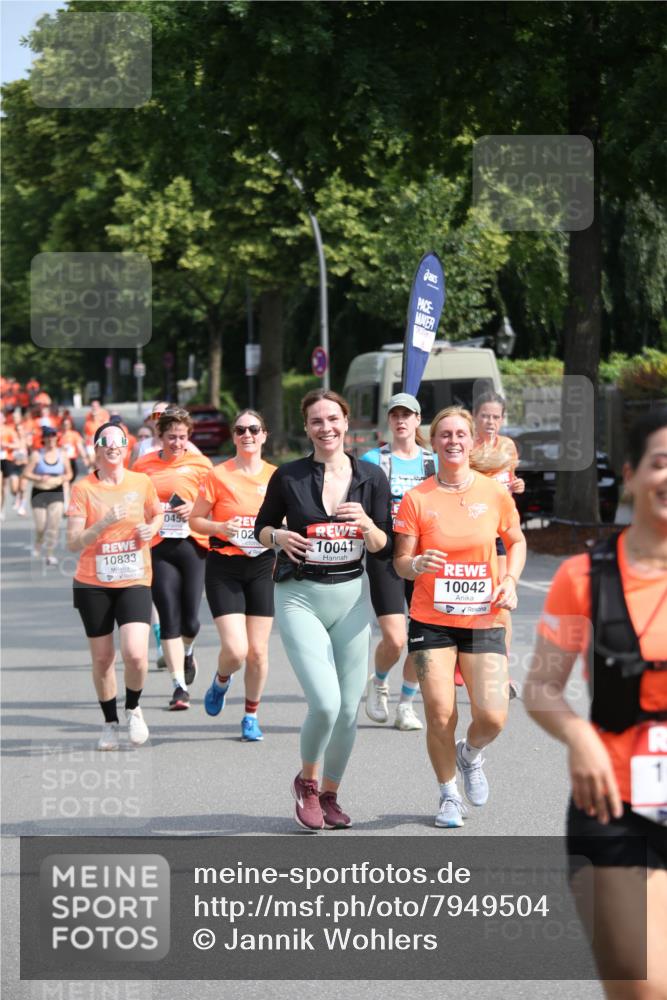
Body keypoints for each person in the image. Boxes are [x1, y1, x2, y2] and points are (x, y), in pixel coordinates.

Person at [524, 408, 667, 997]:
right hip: (616, 807)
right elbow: (540, 687)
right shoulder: (585, 577)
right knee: (641, 985)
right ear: (630, 476)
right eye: (661, 463)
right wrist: (579, 737)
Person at [255, 389, 392, 831]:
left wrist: (368, 524)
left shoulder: (371, 477)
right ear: (307, 427)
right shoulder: (290, 477)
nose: (326, 428)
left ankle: (330, 794)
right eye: (317, 421)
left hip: (351, 597)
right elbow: (260, 528)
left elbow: (382, 545)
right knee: (327, 703)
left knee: (349, 710)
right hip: (300, 596)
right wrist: (277, 537)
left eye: (333, 419)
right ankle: (307, 783)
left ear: (346, 422)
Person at [393, 406, 526, 828]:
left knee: (492, 715)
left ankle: (470, 754)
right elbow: (400, 561)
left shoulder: (493, 493)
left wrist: (511, 579)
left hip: (483, 617)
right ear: (432, 443)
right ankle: (449, 795)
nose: (453, 441)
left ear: (471, 442)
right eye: (444, 434)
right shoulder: (418, 498)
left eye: (460, 434)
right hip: (431, 618)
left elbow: (516, 540)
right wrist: (416, 566)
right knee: (439, 711)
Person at [66, 422, 163, 750]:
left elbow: (158, 513)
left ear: (127, 447)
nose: (112, 448)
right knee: (103, 658)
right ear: (96, 449)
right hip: (93, 582)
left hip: (135, 577)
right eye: (105, 443)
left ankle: (134, 707)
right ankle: (109, 722)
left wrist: (152, 527)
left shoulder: (141, 481)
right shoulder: (83, 488)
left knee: (136, 655)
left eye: (118, 443)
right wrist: (105, 522)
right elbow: (73, 542)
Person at [190, 409, 277, 741]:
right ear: (233, 436)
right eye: (240, 430)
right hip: (224, 566)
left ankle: (251, 716)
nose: (247, 435)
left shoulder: (276, 476)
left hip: (261, 566)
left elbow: (289, 519)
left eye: (254, 429)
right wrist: (220, 527)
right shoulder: (218, 475)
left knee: (258, 651)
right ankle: (221, 680)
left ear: (264, 435)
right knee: (237, 650)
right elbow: (195, 520)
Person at [361, 392, 435, 731]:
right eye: (395, 415)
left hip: (425, 554)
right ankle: (378, 683)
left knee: (424, 638)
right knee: (395, 638)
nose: (401, 420)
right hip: (386, 554)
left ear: (418, 420)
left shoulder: (432, 464)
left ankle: (406, 704)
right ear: (388, 421)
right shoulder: (373, 459)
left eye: (408, 414)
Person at [133, 408, 212, 710]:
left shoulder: (200, 464)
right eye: (171, 437)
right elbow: (133, 500)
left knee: (191, 619)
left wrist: (192, 505)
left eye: (182, 437)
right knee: (169, 615)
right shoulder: (143, 465)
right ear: (160, 436)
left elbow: (213, 503)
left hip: (192, 543)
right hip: (158, 544)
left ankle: (188, 651)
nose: (177, 443)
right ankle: (179, 687)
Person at [470, 390, 525, 698]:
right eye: (485, 416)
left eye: (495, 416)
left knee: (501, 602)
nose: (490, 421)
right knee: (469, 602)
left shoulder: (508, 446)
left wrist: (518, 485)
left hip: (502, 533)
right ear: (475, 417)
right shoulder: (465, 447)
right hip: (472, 534)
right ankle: (459, 660)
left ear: (502, 419)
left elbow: (510, 483)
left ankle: (501, 672)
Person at [23, 425, 72, 566]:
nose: (51, 439)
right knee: (41, 526)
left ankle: (49, 555)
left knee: (53, 526)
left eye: (53, 436)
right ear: (43, 438)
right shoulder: (37, 455)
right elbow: (26, 473)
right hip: (39, 493)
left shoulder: (62, 454)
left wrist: (64, 478)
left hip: (56, 492)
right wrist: (38, 478)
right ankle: (38, 542)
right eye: (48, 436)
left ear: (57, 438)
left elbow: (69, 473)